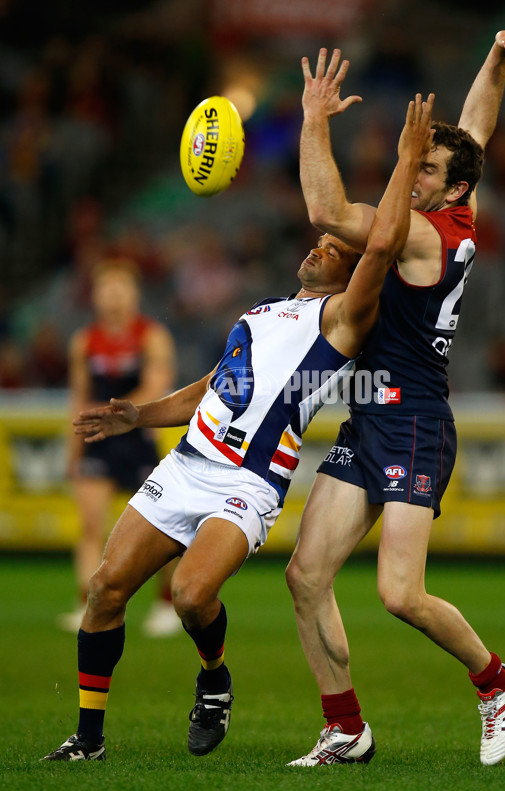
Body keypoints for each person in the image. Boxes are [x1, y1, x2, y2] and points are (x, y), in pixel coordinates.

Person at [41, 91, 435, 762]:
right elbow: (211, 388)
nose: (318, 249)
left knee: (193, 596)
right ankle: (88, 738)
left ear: (349, 267)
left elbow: (382, 248)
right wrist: (141, 412)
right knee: (106, 587)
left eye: (331, 247)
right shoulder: (262, 312)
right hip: (188, 463)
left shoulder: (341, 320)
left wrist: (403, 160)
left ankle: (214, 678)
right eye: (315, 243)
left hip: (248, 482)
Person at [285, 26, 505, 768]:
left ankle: (497, 680)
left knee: (401, 594)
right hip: (374, 411)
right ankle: (345, 728)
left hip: (413, 420)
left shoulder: (416, 236)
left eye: (428, 168)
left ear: (454, 186)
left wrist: (313, 119)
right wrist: (497, 53)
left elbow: (324, 206)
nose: (415, 173)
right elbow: (477, 124)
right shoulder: (457, 206)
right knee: (306, 574)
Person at [57, 260, 181, 638]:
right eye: (105, 287)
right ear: (94, 296)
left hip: (137, 436)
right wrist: (73, 450)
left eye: (120, 287)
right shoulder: (83, 341)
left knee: (161, 527)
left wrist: (118, 416)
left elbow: (155, 387)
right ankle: (88, 603)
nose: (113, 294)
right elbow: (77, 397)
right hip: (97, 439)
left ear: (135, 293)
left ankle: (166, 605)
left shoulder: (151, 336)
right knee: (91, 524)